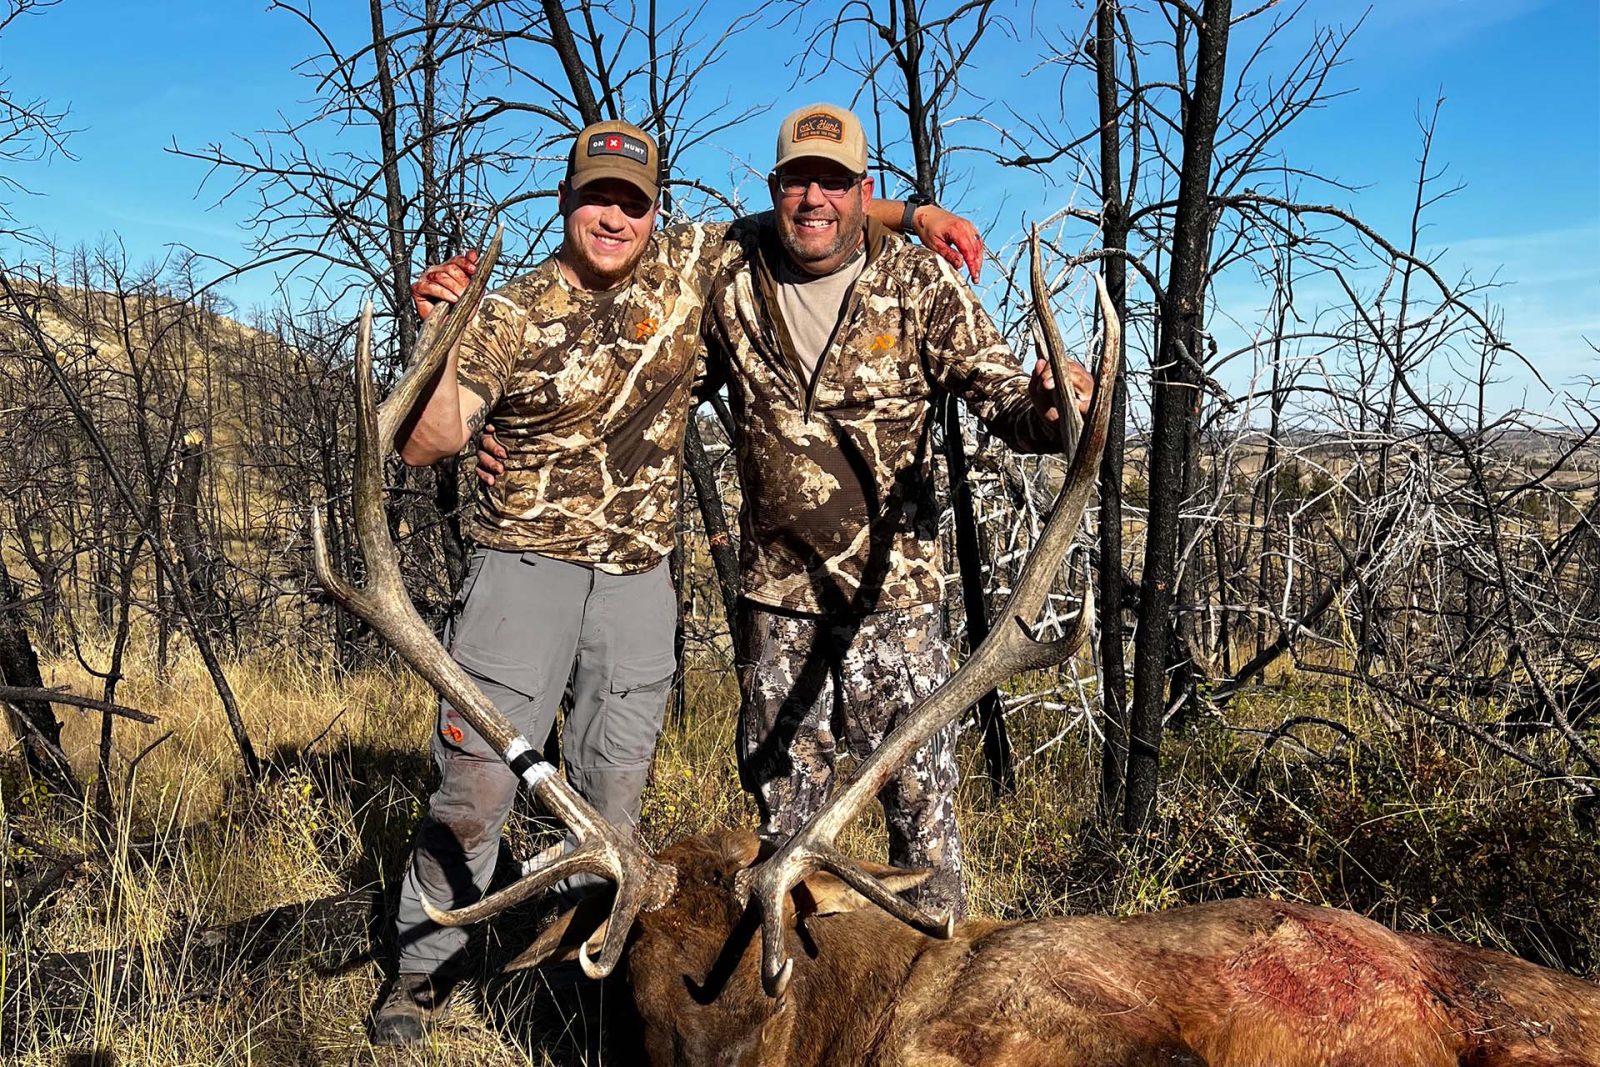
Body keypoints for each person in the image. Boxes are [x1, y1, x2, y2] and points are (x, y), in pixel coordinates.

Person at [373, 116, 983, 1045]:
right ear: (566, 202)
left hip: (636, 581)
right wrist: (440, 342)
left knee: (611, 810)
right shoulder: (508, 309)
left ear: (656, 212)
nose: (613, 216)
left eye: (633, 200)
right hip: (521, 568)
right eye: (595, 197)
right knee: (474, 790)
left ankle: (587, 987)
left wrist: (917, 212)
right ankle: (421, 971)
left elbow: (812, 215)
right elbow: (428, 441)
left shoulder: (694, 263)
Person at [696, 104, 1093, 919]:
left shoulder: (919, 283)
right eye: (799, 180)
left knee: (924, 832)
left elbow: (1010, 405)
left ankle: (935, 1000)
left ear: (861, 187)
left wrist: (1056, 408)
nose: (815, 200)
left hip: (897, 612)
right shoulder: (731, 272)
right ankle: (803, 1011)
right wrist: (914, 209)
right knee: (786, 840)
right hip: (777, 608)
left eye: (836, 183)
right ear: (773, 189)